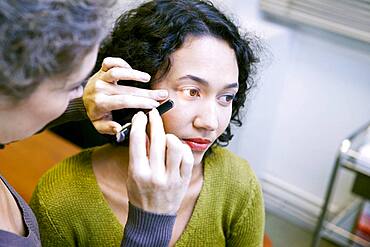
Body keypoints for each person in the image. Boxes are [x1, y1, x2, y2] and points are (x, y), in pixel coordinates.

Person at [30, 0, 265, 246]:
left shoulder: (239, 184)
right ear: (136, 87)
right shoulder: (59, 199)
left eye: (226, 97)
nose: (210, 122)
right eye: (191, 91)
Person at [0, 0, 174, 246]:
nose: (82, 93)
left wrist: (80, 104)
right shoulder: (61, 197)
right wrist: (151, 223)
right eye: (72, 86)